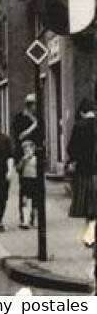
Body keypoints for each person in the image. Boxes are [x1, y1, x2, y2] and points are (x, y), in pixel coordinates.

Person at [66, 97, 96, 233]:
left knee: (90, 209)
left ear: (82, 112)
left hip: (85, 173)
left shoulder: (79, 126)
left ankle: (91, 237)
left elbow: (71, 149)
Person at [17, 138, 38, 229]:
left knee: (35, 202)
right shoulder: (23, 159)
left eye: (28, 149)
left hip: (34, 181)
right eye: (24, 149)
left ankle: (35, 220)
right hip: (25, 181)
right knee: (25, 201)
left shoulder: (36, 159)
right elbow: (18, 169)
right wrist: (23, 160)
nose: (26, 151)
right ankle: (25, 220)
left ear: (33, 149)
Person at [12, 93, 39, 160]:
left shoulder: (38, 118)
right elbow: (20, 136)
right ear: (30, 105)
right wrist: (34, 126)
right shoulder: (19, 118)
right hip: (22, 153)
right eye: (35, 105)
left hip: (36, 154)